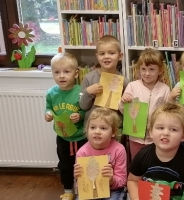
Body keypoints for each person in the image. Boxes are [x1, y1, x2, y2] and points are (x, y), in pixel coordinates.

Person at [127, 102, 184, 200]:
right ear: (151, 132)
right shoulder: (143, 155)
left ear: (183, 136)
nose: (165, 133)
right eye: (160, 128)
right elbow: (133, 181)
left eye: (173, 129)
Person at [45, 52, 87, 200]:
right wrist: (48, 114)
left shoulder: (81, 92)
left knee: (83, 163)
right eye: (57, 72)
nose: (61, 76)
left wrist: (80, 115)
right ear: (52, 74)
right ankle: (68, 189)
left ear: (76, 74)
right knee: (65, 165)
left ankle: (84, 188)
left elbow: (85, 110)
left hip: (81, 137)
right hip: (62, 137)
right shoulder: (51, 93)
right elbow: (48, 108)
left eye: (66, 72)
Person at [120, 48, 170, 159]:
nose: (147, 73)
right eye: (143, 69)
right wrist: (123, 101)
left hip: (156, 138)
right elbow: (123, 110)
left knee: (153, 164)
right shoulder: (132, 86)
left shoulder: (165, 89)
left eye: (152, 69)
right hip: (135, 137)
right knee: (137, 164)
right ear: (138, 70)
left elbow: (169, 112)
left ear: (160, 71)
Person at [74, 107, 127, 200]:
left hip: (113, 190)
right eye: (93, 127)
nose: (97, 132)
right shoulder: (82, 152)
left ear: (113, 132)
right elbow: (81, 185)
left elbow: (122, 180)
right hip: (90, 189)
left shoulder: (119, 149)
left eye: (103, 128)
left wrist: (111, 180)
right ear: (87, 129)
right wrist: (78, 177)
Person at [79, 35, 129, 125]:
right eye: (102, 54)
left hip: (114, 128)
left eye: (111, 53)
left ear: (120, 56)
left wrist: (123, 101)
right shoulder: (89, 78)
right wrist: (88, 92)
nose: (106, 56)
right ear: (97, 56)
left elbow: (126, 111)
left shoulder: (124, 81)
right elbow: (83, 106)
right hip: (93, 128)